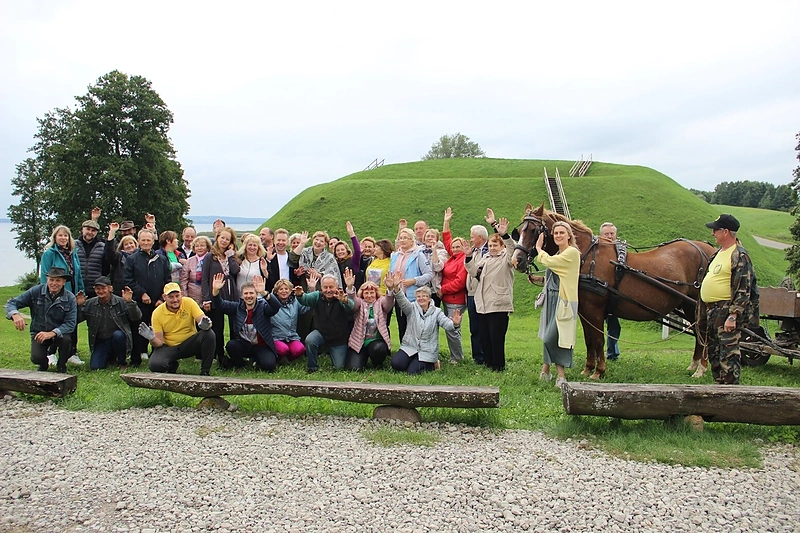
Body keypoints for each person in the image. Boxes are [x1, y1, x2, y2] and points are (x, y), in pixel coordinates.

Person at [699, 214, 758, 385]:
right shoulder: (718, 253)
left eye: (715, 230)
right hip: (713, 310)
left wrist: (733, 315)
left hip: (726, 311)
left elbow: (743, 288)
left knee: (728, 354)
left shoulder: (739, 255)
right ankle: (720, 388)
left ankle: (731, 393)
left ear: (725, 231)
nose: (712, 233)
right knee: (715, 352)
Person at [465, 211, 515, 371]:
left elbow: (512, 248)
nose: (493, 248)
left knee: (496, 336)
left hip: (499, 302)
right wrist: (468, 257)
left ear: (501, 247)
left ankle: (498, 365)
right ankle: (487, 362)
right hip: (483, 302)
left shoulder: (506, 258)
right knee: (484, 335)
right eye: (491, 246)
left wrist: (504, 234)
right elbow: (473, 272)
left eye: (496, 245)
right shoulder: (485, 259)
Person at [535, 221, 581, 387]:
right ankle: (546, 370)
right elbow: (557, 275)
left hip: (564, 301)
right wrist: (540, 280)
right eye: (556, 233)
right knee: (549, 336)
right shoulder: (559, 254)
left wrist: (539, 249)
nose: (559, 235)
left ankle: (561, 376)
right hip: (551, 298)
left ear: (569, 235)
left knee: (553, 338)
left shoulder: (572, 253)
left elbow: (551, 263)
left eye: (562, 232)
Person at [6, 267, 77, 373]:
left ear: (63, 282)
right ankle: (44, 364)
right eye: (51, 280)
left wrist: (52, 333)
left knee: (66, 341)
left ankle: (62, 365)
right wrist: (15, 314)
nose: (54, 283)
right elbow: (12, 303)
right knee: (36, 358)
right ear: (47, 279)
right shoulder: (35, 291)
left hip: (59, 333)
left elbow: (70, 323)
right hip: (39, 332)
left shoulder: (70, 298)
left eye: (58, 280)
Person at [389, 273, 462, 374]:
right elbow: (402, 301)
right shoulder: (412, 308)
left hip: (427, 350)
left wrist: (455, 324)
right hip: (410, 346)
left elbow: (446, 324)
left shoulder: (437, 312)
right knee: (397, 364)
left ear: (429, 298)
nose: (421, 298)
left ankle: (433, 364)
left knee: (412, 372)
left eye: (424, 296)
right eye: (418, 296)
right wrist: (397, 288)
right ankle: (412, 360)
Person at [138, 282, 216, 375]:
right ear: (164, 297)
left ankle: (205, 371)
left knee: (209, 334)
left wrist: (205, 325)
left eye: (177, 296)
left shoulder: (189, 302)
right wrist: (151, 338)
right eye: (170, 297)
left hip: (189, 344)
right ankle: (172, 365)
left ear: (181, 294)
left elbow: (203, 321)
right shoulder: (157, 313)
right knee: (155, 365)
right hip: (169, 347)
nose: (175, 300)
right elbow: (158, 343)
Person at [212, 273, 281, 371]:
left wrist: (264, 293)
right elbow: (221, 305)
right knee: (231, 345)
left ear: (256, 295)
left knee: (269, 366)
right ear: (242, 295)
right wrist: (215, 291)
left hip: (261, 346)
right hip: (244, 345)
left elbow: (276, 307)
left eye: (251, 293)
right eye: (246, 293)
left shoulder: (263, 307)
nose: (249, 296)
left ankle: (256, 360)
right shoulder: (237, 307)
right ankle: (241, 364)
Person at [124, 228, 171, 367]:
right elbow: (128, 279)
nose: (145, 243)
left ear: (153, 241)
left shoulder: (161, 259)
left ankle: (157, 356)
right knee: (138, 330)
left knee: (158, 330)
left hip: (158, 302)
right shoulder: (132, 259)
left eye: (148, 240)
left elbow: (168, 279)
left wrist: (162, 298)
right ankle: (135, 359)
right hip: (140, 302)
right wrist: (142, 293)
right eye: (143, 240)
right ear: (138, 241)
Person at [40, 224, 85, 364]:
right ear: (55, 237)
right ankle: (51, 352)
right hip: (56, 292)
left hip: (72, 292)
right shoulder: (49, 253)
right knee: (56, 321)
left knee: (72, 321)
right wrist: (46, 292)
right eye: (60, 235)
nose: (63, 238)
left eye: (65, 235)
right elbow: (44, 275)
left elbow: (77, 274)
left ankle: (71, 353)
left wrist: (81, 291)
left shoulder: (73, 253)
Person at [75, 276, 141, 370]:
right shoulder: (90, 303)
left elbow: (136, 317)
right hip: (101, 341)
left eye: (103, 288)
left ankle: (122, 362)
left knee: (118, 335)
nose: (100, 291)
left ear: (110, 288)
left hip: (119, 339)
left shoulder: (121, 302)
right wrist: (79, 306)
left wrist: (130, 302)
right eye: (98, 289)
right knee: (95, 367)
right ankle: (110, 358)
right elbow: (77, 320)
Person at [295, 273, 354, 373]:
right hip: (321, 332)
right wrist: (300, 295)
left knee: (339, 367)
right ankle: (312, 367)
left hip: (338, 338)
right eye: (325, 287)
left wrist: (344, 301)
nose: (328, 290)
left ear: (337, 286)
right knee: (310, 340)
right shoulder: (317, 296)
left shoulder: (340, 296)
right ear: (321, 287)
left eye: (331, 287)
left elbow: (351, 307)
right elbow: (305, 300)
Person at [201, 226, 241, 367]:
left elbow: (236, 271)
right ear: (217, 238)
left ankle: (234, 354)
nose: (224, 241)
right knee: (217, 327)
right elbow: (205, 278)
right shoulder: (209, 256)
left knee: (234, 326)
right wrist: (206, 297)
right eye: (222, 237)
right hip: (216, 293)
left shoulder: (232, 255)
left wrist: (230, 256)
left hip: (231, 293)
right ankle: (219, 355)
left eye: (227, 239)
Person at [344, 268, 393, 371]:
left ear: (376, 293)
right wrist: (349, 287)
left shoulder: (381, 302)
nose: (369, 295)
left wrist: (390, 289)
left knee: (378, 349)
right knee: (354, 369)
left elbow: (389, 303)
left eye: (372, 292)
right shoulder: (360, 303)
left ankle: (377, 363)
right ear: (362, 294)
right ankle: (362, 358)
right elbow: (353, 303)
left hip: (376, 341)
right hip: (359, 342)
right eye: (366, 293)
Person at [389, 227, 433, 341]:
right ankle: (404, 352)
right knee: (402, 326)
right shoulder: (394, 256)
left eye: (405, 238)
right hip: (399, 296)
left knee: (415, 327)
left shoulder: (418, 255)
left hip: (414, 298)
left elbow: (429, 274)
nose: (402, 240)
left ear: (411, 240)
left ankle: (418, 354)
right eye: (400, 238)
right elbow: (391, 274)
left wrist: (413, 280)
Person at [440, 208, 468, 363]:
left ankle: (456, 358)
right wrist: (446, 222)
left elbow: (459, 282)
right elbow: (446, 239)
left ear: (464, 247)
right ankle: (457, 355)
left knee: (452, 329)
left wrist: (442, 289)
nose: (455, 248)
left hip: (455, 299)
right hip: (448, 298)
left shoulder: (463, 260)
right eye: (454, 247)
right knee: (453, 328)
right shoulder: (453, 257)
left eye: (458, 246)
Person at [466, 222, 489, 364]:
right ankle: (477, 357)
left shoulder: (488, 251)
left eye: (472, 237)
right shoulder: (473, 251)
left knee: (484, 327)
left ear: (480, 237)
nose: (471, 240)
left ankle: (486, 356)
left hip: (483, 293)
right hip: (471, 293)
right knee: (474, 327)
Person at [271, 278, 309, 364]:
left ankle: (287, 360)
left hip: (291, 336)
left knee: (300, 349)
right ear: (277, 291)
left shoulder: (295, 301)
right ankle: (277, 358)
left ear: (290, 291)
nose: (284, 291)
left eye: (286, 289)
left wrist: (311, 289)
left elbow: (306, 307)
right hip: (276, 337)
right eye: (281, 289)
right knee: (283, 349)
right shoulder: (271, 302)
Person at [599, 222, 622, 361]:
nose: (609, 236)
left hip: (615, 293)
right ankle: (608, 353)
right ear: (601, 235)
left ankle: (612, 353)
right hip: (599, 292)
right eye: (606, 234)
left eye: (611, 233)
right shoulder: (597, 250)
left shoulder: (620, 249)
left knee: (614, 326)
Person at [179, 235, 212, 307]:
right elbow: (183, 280)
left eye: (202, 245)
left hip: (209, 298)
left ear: (207, 247)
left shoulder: (212, 260)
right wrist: (185, 297)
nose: (199, 248)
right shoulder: (189, 261)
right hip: (192, 298)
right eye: (197, 246)